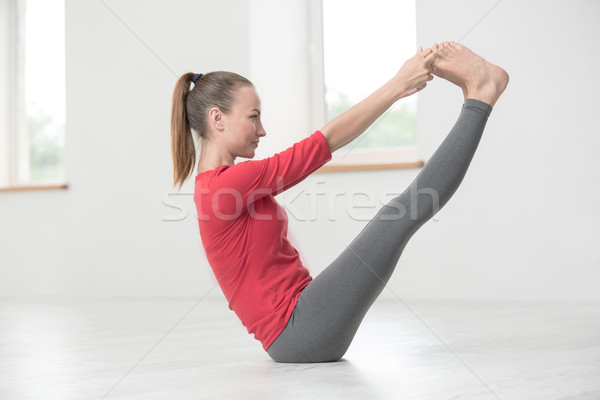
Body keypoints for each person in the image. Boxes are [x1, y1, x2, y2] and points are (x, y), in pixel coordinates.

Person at [170, 42, 509, 363]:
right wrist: (397, 85)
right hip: (298, 331)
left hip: (304, 324)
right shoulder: (223, 186)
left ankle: (475, 97)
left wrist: (399, 85)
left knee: (401, 214)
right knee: (401, 213)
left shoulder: (223, 186)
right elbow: (324, 143)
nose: (262, 130)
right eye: (253, 117)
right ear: (217, 119)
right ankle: (482, 95)